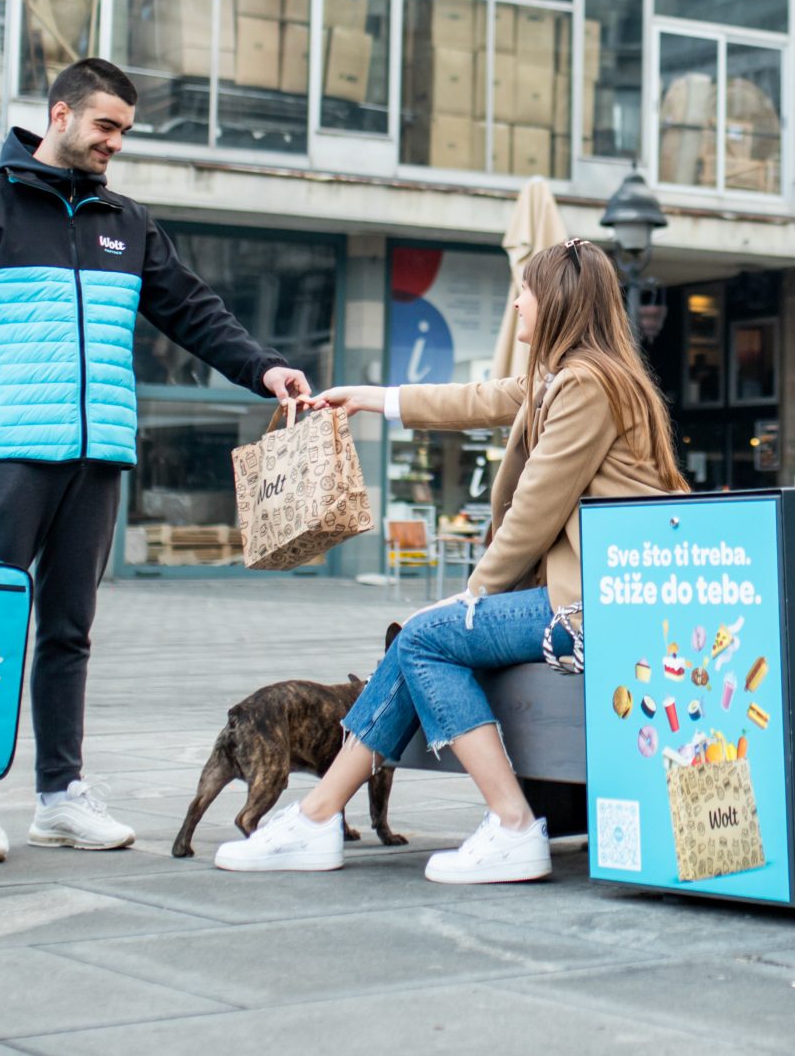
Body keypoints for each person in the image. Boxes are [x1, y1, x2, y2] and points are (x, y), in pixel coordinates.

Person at [0, 59, 311, 865]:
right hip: (6, 448)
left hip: (98, 453)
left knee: (69, 631)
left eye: (125, 131)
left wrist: (263, 367)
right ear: (61, 113)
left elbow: (191, 309)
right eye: (106, 126)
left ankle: (58, 795)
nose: (115, 142)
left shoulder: (128, 221)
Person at [216, 240, 687, 882]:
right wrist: (369, 398)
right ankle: (318, 817)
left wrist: (474, 594)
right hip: (590, 597)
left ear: (556, 302)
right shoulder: (564, 377)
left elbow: (536, 507)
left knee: (428, 638)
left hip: (605, 608)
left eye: (525, 289)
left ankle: (513, 827)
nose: (516, 301)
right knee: (419, 642)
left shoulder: (586, 385)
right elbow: (475, 399)